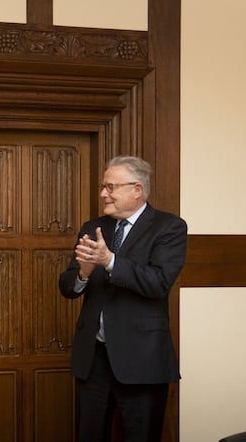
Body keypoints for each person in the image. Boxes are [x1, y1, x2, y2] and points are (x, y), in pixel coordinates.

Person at [58, 156, 187, 442]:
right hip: (93, 360)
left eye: (110, 187)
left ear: (137, 190)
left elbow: (158, 283)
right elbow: (67, 287)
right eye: (104, 187)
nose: (104, 193)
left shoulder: (169, 227)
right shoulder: (93, 227)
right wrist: (83, 272)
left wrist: (110, 261)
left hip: (141, 360)